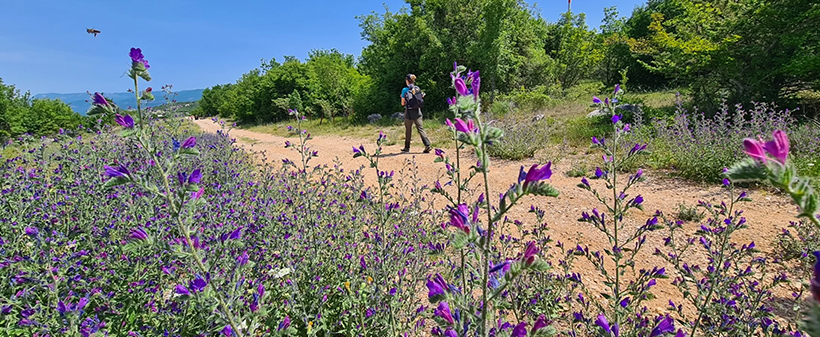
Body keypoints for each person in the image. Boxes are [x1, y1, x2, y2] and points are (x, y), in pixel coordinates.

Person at [401, 74, 432, 153]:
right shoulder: (417, 88)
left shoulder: (405, 90)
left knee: (408, 129)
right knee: (420, 128)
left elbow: (403, 103)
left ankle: (407, 147)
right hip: (418, 111)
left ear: (407, 81)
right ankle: (427, 145)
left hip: (409, 112)